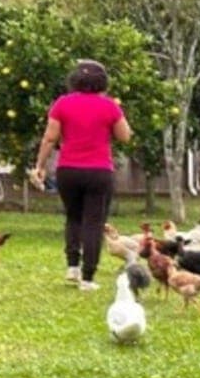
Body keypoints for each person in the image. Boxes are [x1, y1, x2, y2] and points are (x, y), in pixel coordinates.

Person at [31, 59, 132, 291]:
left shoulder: (62, 104)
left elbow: (49, 138)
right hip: (98, 171)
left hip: (68, 170)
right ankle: (87, 278)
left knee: (73, 217)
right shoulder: (109, 106)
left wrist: (40, 165)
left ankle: (72, 267)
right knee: (94, 223)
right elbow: (125, 136)